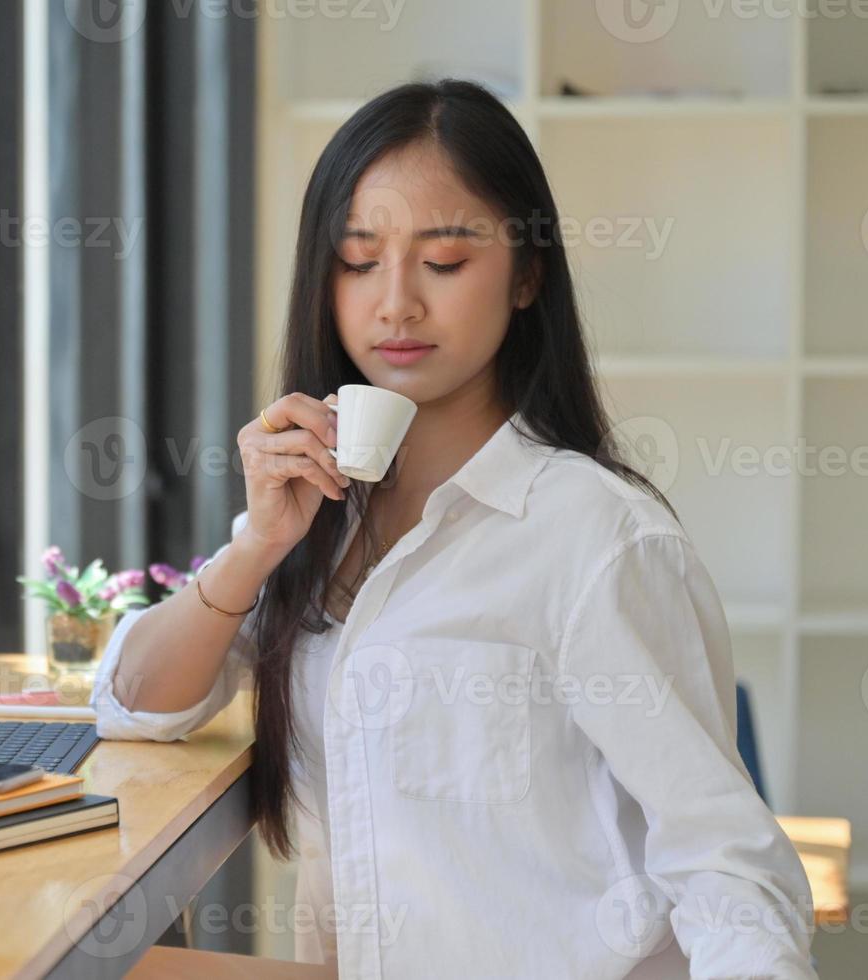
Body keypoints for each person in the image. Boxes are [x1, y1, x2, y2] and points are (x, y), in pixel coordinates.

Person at [92, 79, 817, 978]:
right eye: (357, 262)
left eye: (442, 263)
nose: (394, 304)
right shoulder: (322, 513)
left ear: (526, 276)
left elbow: (726, 864)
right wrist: (256, 548)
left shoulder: (595, 540)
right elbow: (136, 708)